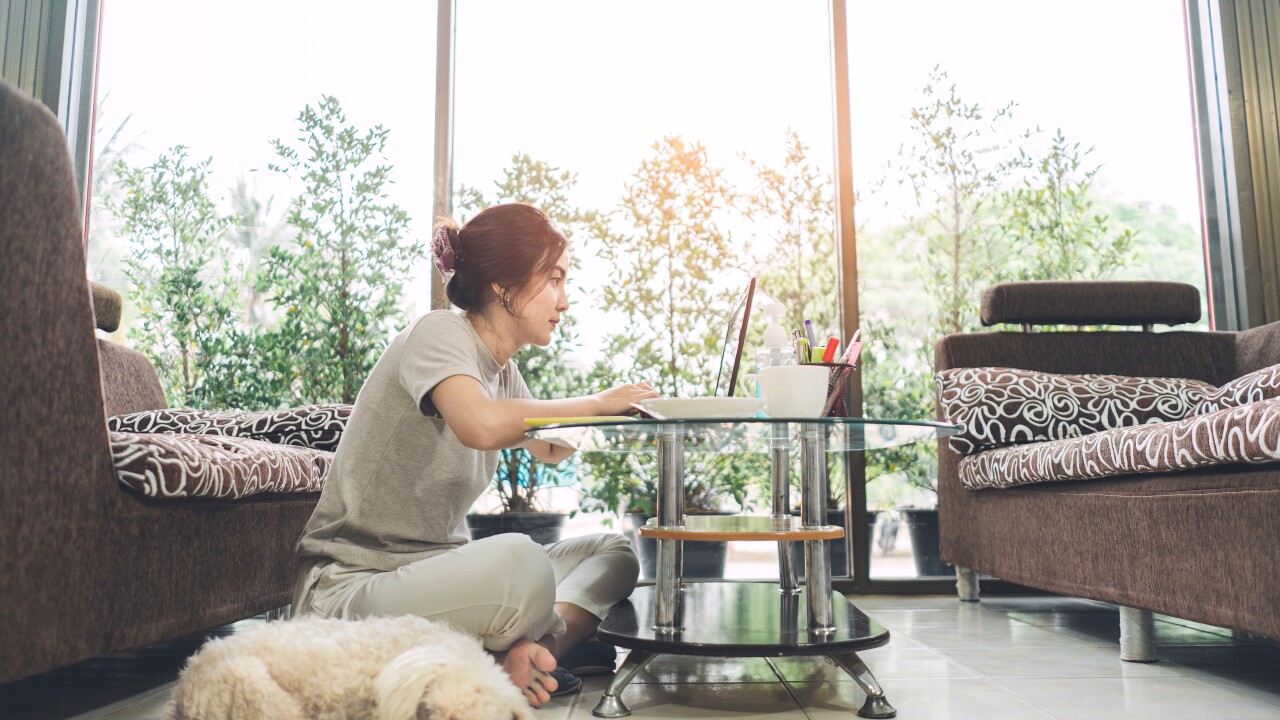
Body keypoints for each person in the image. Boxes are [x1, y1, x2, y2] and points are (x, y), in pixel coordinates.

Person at [291, 202, 658, 707]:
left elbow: (550, 446)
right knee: (520, 563)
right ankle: (520, 649)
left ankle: (534, 653)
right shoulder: (440, 333)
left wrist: (623, 412)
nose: (564, 300)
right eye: (554, 279)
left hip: (436, 570)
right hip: (351, 587)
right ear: (503, 286)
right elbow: (480, 425)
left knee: (614, 553)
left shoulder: (500, 368)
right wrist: (597, 403)